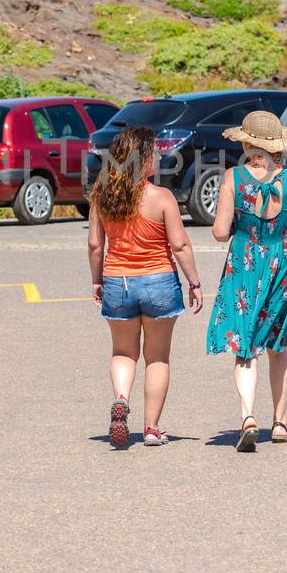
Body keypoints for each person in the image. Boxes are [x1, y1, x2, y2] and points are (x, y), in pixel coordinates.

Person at [206, 111, 287, 452]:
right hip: (284, 260)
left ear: (246, 143)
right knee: (278, 343)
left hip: (246, 260)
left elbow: (220, 232)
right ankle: (280, 422)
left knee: (245, 343)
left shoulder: (233, 177)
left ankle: (248, 417)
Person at [88, 126, 203, 448]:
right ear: (142, 159)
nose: (160, 156)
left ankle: (121, 398)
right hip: (158, 281)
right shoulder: (161, 197)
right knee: (157, 358)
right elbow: (179, 246)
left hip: (117, 280)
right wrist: (194, 282)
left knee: (123, 352)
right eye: (154, 152)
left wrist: (96, 280)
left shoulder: (101, 194)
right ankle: (151, 428)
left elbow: (96, 246)